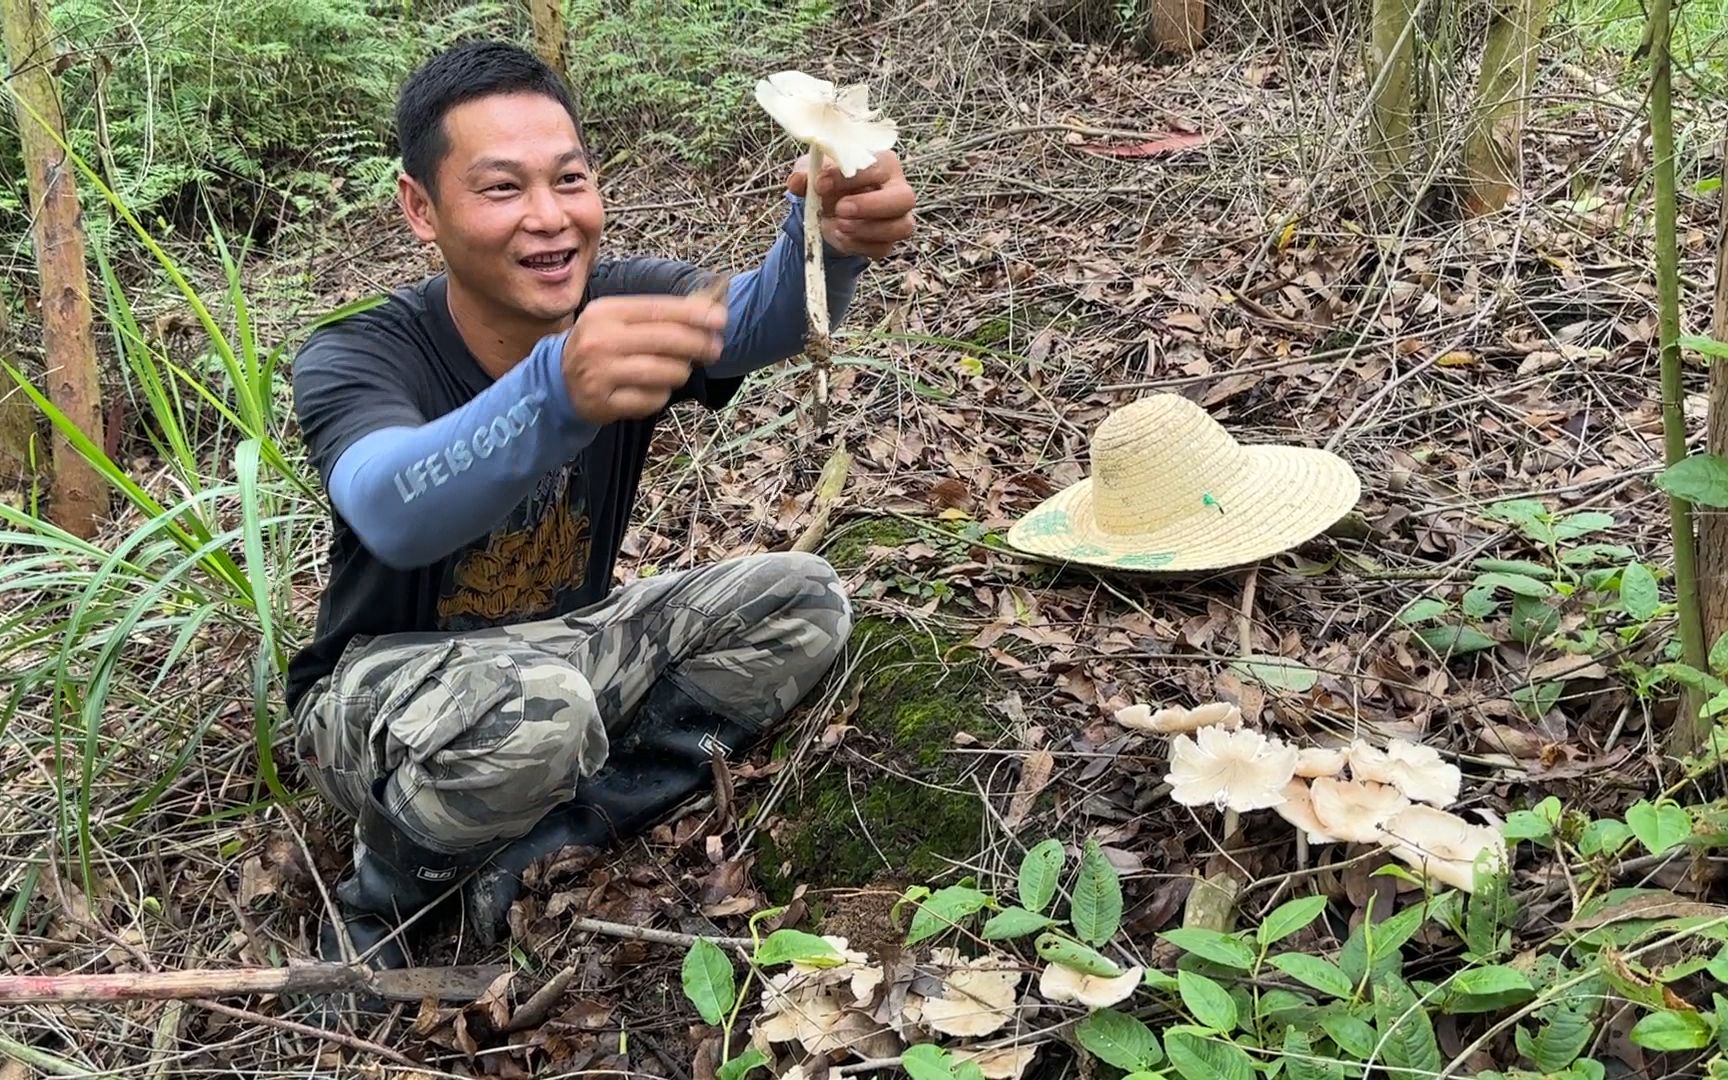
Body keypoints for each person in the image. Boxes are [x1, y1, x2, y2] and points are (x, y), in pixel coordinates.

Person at [285, 39, 917, 968]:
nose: (549, 218)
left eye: (570, 178)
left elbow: (756, 322)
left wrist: (827, 236)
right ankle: (389, 911)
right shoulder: (360, 354)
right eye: (502, 189)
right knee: (535, 710)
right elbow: (389, 505)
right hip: (376, 693)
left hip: (559, 653)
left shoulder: (619, 296)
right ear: (421, 208)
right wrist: (554, 395)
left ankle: (560, 832)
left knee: (803, 600)